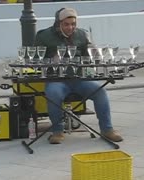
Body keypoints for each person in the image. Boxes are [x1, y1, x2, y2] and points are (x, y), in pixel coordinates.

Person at [34, 7, 123, 144]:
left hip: (79, 78)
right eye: (67, 24)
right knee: (53, 93)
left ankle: (107, 129)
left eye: (73, 24)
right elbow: (34, 59)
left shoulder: (82, 34)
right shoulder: (43, 36)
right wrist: (51, 60)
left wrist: (95, 54)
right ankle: (57, 131)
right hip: (56, 79)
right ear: (58, 23)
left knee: (100, 91)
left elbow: (90, 58)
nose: (71, 27)